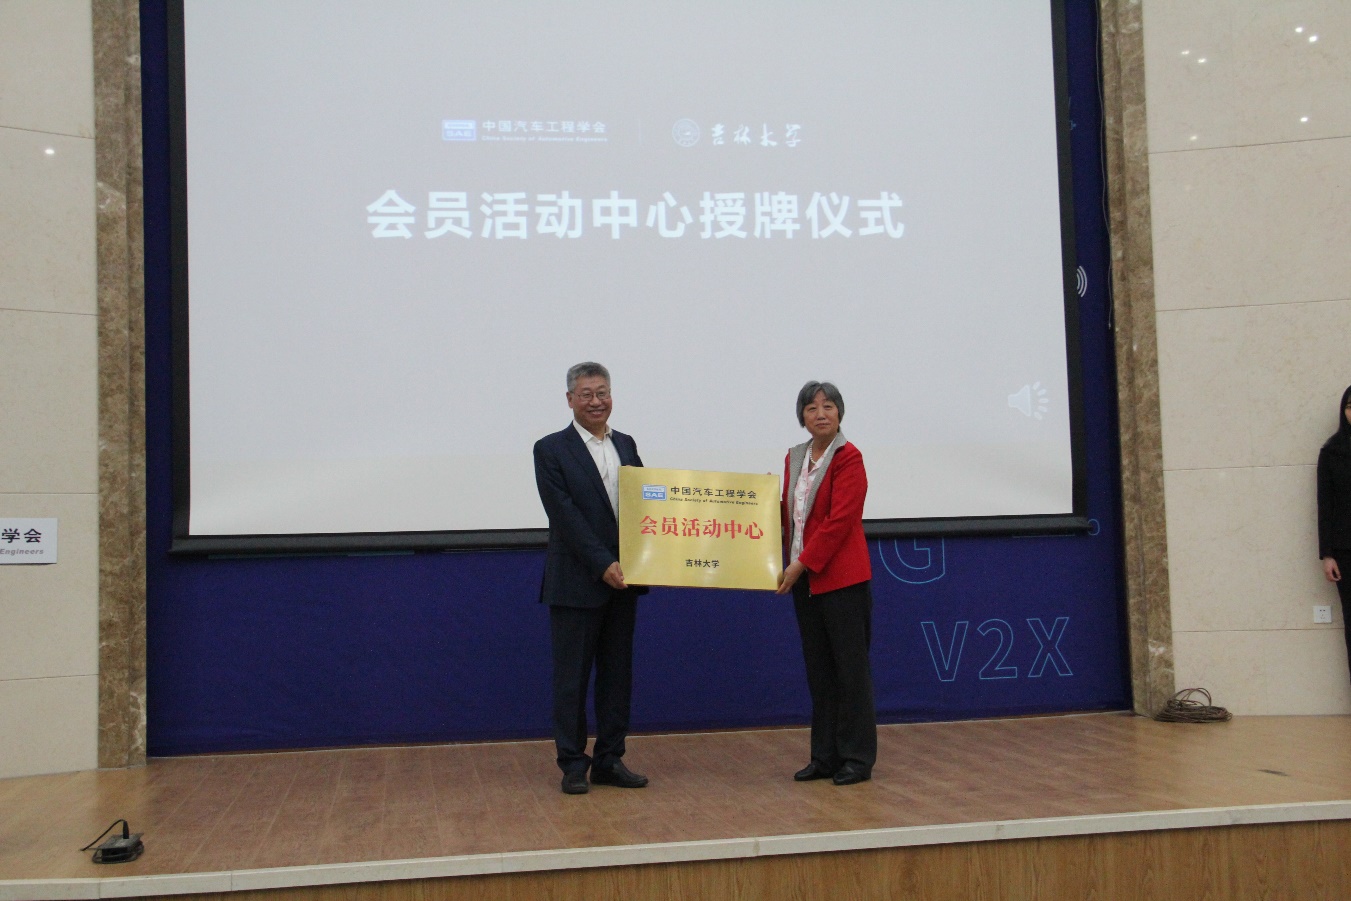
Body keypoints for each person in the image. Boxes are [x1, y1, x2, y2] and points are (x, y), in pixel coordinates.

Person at [534, 362, 649, 794]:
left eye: (602, 393)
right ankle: (571, 763)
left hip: (626, 581)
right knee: (572, 680)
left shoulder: (627, 444)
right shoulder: (550, 449)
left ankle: (609, 759)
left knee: (617, 677)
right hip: (576, 582)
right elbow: (565, 516)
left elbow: (647, 503)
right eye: (586, 394)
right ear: (570, 399)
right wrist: (603, 564)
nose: (596, 401)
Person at [777, 380, 877, 785]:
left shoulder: (849, 457)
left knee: (851, 673)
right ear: (802, 416)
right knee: (819, 673)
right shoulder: (795, 457)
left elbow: (839, 522)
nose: (821, 414)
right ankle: (824, 757)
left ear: (840, 413)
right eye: (812, 408)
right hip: (805, 583)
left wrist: (800, 564)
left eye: (829, 406)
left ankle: (856, 758)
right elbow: (790, 514)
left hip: (842, 581)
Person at [1317, 385, 1351, 680]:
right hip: (1346, 550)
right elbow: (1325, 505)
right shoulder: (1331, 452)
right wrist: (1327, 554)